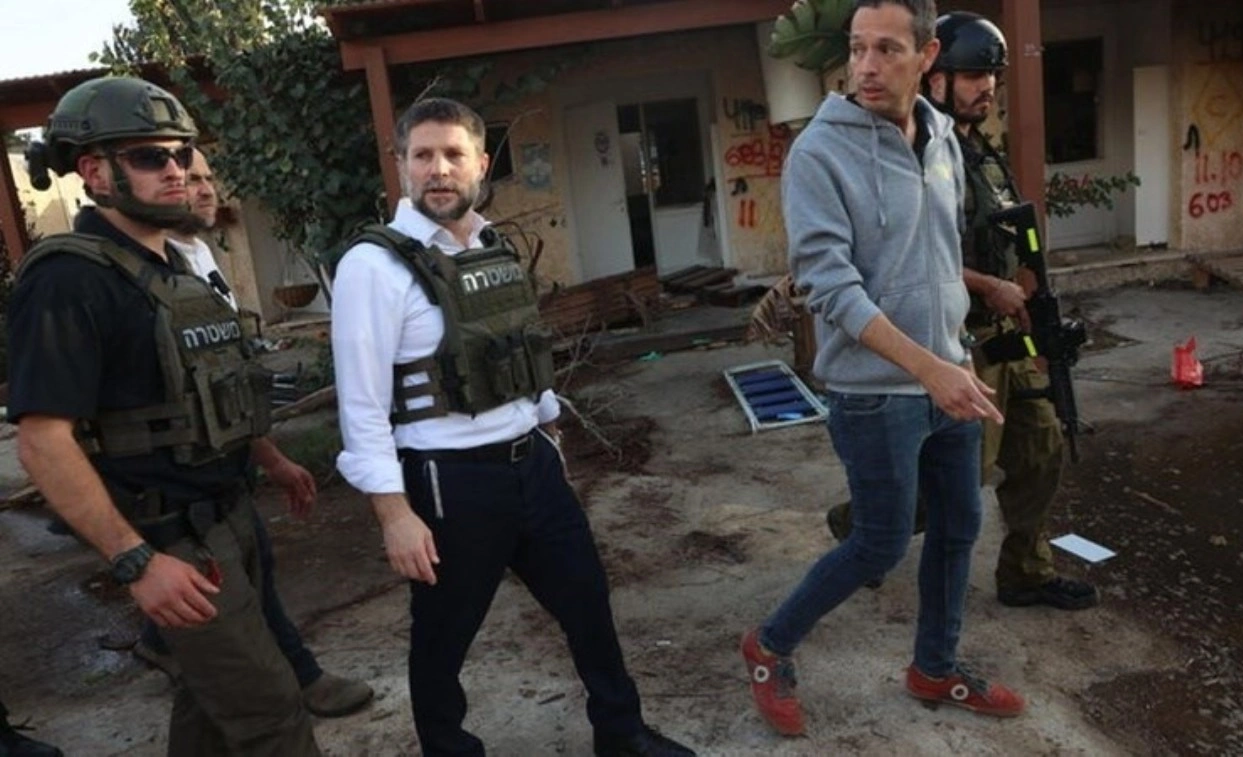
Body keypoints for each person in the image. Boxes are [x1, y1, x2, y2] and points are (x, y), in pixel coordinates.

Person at [330, 97, 694, 757]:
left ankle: (621, 732)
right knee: (444, 635)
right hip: (448, 481)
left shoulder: (491, 245)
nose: (438, 169)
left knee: (587, 602)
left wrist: (549, 431)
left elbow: (520, 350)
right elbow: (361, 405)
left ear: (480, 162)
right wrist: (394, 514)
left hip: (531, 466)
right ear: (402, 165)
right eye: (422, 155)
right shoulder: (374, 265)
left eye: (453, 154)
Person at [9, 76, 319, 755]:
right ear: (95, 172)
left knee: (208, 709)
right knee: (273, 716)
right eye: (151, 156)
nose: (176, 169)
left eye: (181, 153)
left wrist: (269, 459)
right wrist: (137, 561)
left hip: (227, 521)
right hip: (170, 540)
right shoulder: (68, 280)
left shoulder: (171, 264)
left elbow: (206, 393)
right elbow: (42, 441)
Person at [739, 0, 1025, 737]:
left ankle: (934, 665)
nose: (866, 66)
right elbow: (831, 288)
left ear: (926, 56)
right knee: (880, 541)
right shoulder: (819, 153)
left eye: (887, 49)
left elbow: (932, 256)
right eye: (858, 48)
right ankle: (769, 646)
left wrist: (965, 325)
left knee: (960, 525)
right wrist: (930, 369)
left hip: (948, 373)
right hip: (875, 393)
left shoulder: (942, 138)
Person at [826, 11, 1099, 612]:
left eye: (992, 76)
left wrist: (1028, 294)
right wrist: (989, 286)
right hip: (955, 340)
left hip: (1006, 332)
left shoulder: (981, 153)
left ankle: (1025, 572)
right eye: (975, 75)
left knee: (1040, 448)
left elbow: (1009, 234)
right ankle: (859, 529)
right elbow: (919, 250)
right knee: (957, 477)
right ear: (935, 76)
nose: (988, 88)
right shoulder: (917, 152)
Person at [130, 147, 376, 718]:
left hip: (228, 458)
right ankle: (300, 678)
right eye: (189, 179)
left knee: (243, 567)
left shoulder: (200, 258)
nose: (202, 188)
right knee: (247, 575)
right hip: (180, 476)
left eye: (207, 177)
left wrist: (271, 459)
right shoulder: (149, 275)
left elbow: (227, 383)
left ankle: (158, 640)